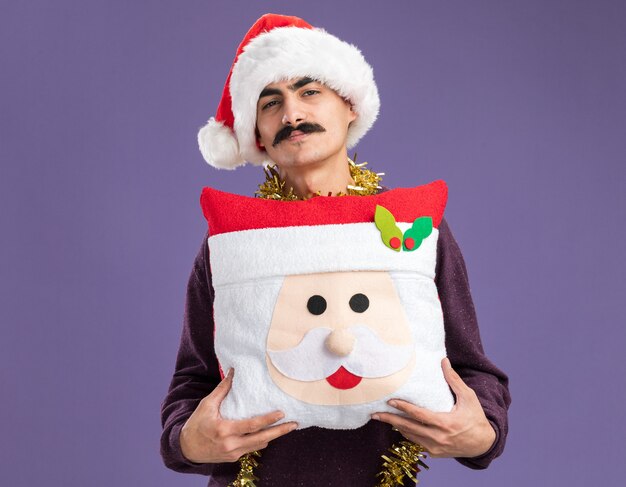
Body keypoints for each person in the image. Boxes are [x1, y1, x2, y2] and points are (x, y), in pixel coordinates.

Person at [161, 13, 511, 486]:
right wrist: (186, 442)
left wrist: (482, 434)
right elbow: (193, 382)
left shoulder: (411, 230)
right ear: (257, 135)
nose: (292, 114)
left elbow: (471, 367)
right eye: (270, 103)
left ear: (350, 106)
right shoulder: (233, 242)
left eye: (309, 92)